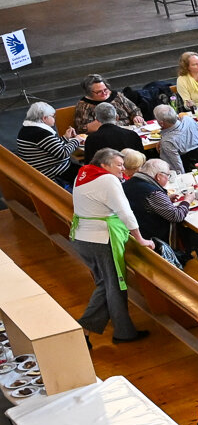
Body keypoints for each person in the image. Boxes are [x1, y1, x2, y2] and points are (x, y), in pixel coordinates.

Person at [69, 147, 150, 344]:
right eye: (119, 165)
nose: (123, 169)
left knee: (108, 285)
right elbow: (125, 212)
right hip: (100, 239)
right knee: (113, 286)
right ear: (104, 165)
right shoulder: (107, 179)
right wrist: (140, 238)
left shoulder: (83, 173)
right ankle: (85, 330)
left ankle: (121, 331)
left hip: (83, 237)